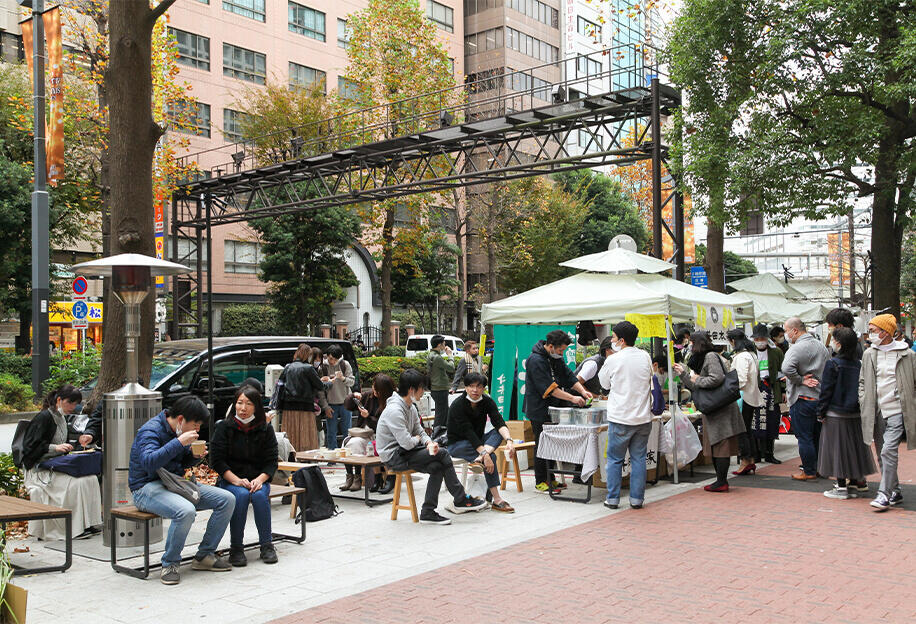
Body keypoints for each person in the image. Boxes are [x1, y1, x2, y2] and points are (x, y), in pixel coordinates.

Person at [129, 396, 235, 585]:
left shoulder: (179, 433)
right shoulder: (150, 431)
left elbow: (181, 462)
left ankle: (204, 555)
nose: (197, 430)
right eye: (195, 425)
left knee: (227, 499)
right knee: (185, 511)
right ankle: (169, 563)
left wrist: (194, 456)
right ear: (180, 420)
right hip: (146, 487)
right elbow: (149, 463)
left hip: (176, 484)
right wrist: (178, 443)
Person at [375, 369, 487, 524]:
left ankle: (428, 511)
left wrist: (429, 443)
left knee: (437, 466)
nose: (424, 392)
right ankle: (460, 498)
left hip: (407, 451)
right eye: (422, 388)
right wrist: (419, 439)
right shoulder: (394, 410)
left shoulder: (410, 407)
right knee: (442, 454)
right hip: (394, 457)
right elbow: (407, 443)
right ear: (412, 390)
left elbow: (419, 430)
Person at [20, 385, 103, 540]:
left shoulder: (62, 418)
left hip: (54, 466)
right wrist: (55, 447)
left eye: (75, 403)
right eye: (70, 403)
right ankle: (73, 529)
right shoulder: (44, 417)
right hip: (38, 470)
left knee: (90, 479)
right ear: (59, 400)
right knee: (76, 484)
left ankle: (88, 524)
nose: (73, 407)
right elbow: (29, 448)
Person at [210, 386, 279, 567]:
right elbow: (217, 461)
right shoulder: (224, 427)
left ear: (256, 406)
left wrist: (261, 479)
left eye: (248, 403)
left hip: (258, 479)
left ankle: (266, 544)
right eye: (239, 403)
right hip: (231, 479)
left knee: (259, 496)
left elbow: (271, 461)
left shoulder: (265, 429)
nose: (243, 408)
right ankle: (236, 548)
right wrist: (236, 480)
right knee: (239, 496)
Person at [523, 329, 593, 493]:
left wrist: (582, 391)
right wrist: (572, 398)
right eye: (561, 350)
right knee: (542, 443)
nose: (562, 353)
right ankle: (541, 481)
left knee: (552, 443)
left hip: (553, 407)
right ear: (551, 346)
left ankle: (551, 478)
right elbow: (550, 389)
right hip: (539, 408)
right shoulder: (536, 360)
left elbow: (568, 376)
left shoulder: (555, 358)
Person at [858, 314, 916, 511]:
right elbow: (863, 382)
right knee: (883, 454)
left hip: (899, 409)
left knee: (887, 450)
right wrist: (863, 397)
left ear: (886, 332)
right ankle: (895, 490)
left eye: (874, 331)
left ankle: (884, 494)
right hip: (876, 409)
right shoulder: (869, 354)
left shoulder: (908, 355)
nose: (870, 334)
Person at [675, 332, 745, 493]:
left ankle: (722, 481)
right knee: (716, 445)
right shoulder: (704, 358)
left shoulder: (711, 357)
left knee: (721, 446)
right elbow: (696, 385)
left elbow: (716, 378)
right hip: (713, 409)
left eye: (691, 342)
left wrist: (696, 379)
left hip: (721, 409)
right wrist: (684, 375)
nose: (689, 346)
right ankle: (720, 481)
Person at [597, 321, 654, 509]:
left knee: (614, 459)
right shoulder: (645, 356)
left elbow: (604, 384)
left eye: (613, 337)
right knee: (639, 459)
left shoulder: (613, 359)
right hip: (643, 417)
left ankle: (612, 499)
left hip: (620, 417)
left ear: (621, 340)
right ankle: (637, 499)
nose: (612, 340)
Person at [815, 327, 877, 499]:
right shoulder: (858, 364)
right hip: (855, 412)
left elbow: (826, 391)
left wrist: (820, 412)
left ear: (839, 344)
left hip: (836, 412)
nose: (833, 343)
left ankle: (841, 487)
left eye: (834, 340)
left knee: (837, 449)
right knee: (855, 448)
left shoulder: (833, 364)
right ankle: (859, 482)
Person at [446, 372, 516, 513]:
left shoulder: (487, 401)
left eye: (479, 386)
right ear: (465, 388)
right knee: (491, 457)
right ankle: (497, 500)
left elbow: (498, 421)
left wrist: (509, 440)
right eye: (471, 386)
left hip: (478, 442)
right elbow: (468, 433)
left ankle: (480, 459)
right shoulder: (457, 405)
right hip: (458, 444)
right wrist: (485, 453)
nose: (475, 390)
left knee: (497, 432)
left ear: (484, 388)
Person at [780, 317, 830, 481]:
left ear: (795, 330)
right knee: (817, 436)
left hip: (801, 398)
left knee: (804, 437)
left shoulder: (795, 348)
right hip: (819, 397)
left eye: (786, 331)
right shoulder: (821, 346)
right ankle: (820, 468)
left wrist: (799, 379)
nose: (786, 334)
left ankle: (808, 470)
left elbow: (786, 368)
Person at [341, 374, 396, 492]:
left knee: (365, 445)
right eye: (373, 387)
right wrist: (353, 396)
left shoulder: (391, 402)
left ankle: (372, 478)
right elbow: (348, 406)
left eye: (377, 389)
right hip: (363, 432)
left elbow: (385, 425)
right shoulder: (368, 396)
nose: (374, 390)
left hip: (380, 434)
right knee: (348, 444)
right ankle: (352, 476)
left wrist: (369, 417)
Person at [270, 344, 325, 451]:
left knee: (290, 434)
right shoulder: (309, 368)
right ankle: (305, 459)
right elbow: (320, 386)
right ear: (307, 355)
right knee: (306, 435)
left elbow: (280, 385)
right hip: (305, 407)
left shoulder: (288, 367)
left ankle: (290, 455)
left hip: (288, 407)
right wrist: (329, 383)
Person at [728, 329, 764, 475]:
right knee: (747, 430)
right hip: (751, 396)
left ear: (733, 341)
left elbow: (741, 379)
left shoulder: (742, 357)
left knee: (741, 430)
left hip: (743, 397)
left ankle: (745, 459)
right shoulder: (752, 354)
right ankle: (750, 460)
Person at [751, 324, 785, 463]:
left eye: (762, 338)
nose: (760, 341)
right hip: (755, 390)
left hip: (772, 388)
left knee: (772, 420)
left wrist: (783, 389)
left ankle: (769, 453)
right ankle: (757, 453)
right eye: (757, 338)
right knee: (756, 422)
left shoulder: (776, 352)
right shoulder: (750, 352)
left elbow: (783, 372)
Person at [322, 345, 355, 450]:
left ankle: (347, 453)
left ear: (339, 357)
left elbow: (352, 382)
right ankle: (332, 455)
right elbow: (319, 388)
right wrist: (323, 380)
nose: (331, 361)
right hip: (331, 403)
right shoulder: (323, 367)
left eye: (334, 359)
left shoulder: (345, 365)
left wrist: (343, 378)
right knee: (331, 431)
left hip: (345, 402)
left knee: (347, 431)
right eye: (330, 358)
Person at [427, 335, 455, 428]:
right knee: (441, 414)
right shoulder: (437, 357)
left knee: (444, 412)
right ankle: (436, 433)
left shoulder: (431, 355)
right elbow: (451, 368)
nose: (445, 345)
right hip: (440, 388)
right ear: (439, 345)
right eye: (444, 344)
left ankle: (443, 432)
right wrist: (450, 355)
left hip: (435, 388)